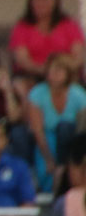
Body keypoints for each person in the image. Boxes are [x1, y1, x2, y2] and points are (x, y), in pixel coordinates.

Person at [26, 53, 86, 192]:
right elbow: (37, 129)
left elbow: (82, 126)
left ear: (67, 73)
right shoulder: (37, 93)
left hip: (72, 140)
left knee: (65, 128)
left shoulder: (78, 94)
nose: (52, 75)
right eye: (50, 71)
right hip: (47, 139)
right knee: (45, 170)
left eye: (58, 71)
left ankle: (65, 167)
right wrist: (48, 158)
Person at [8, 0, 85, 86]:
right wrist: (45, 70)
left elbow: (78, 56)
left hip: (65, 77)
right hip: (33, 76)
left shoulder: (69, 25)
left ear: (55, 0)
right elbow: (22, 59)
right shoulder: (22, 27)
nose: (41, 3)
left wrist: (61, 71)